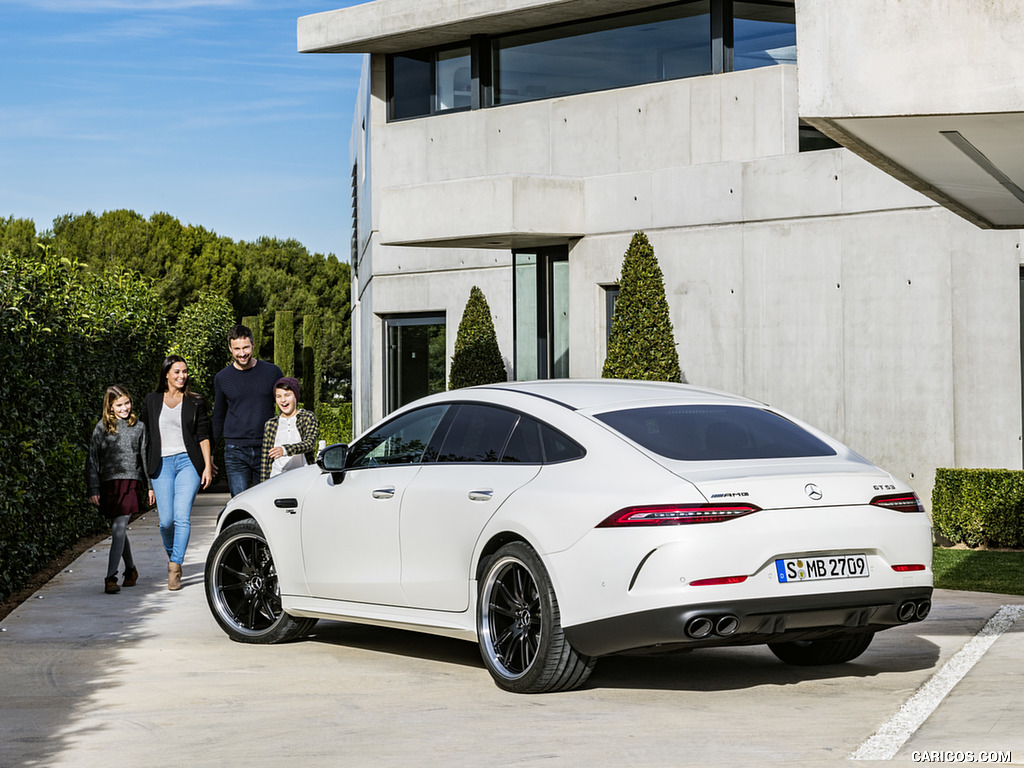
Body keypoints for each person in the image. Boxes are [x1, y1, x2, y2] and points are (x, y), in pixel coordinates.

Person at [144, 355, 213, 591]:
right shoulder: (151, 400)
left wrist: (206, 466)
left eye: (184, 372)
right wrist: (147, 481)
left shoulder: (195, 401)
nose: (182, 376)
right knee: (166, 522)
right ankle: (175, 556)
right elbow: (145, 438)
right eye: (177, 372)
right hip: (161, 464)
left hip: (188, 463)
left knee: (182, 517)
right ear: (166, 374)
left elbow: (203, 435)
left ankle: (175, 566)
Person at [86, 385, 155, 594]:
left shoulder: (139, 427)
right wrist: (93, 488)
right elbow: (92, 460)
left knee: (118, 528)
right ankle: (131, 570)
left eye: (127, 403)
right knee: (119, 530)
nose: (125, 408)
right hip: (109, 484)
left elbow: (144, 458)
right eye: (119, 405)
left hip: (131, 482)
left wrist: (150, 486)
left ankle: (110, 577)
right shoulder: (101, 428)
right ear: (110, 406)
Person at [213, 324, 283, 495]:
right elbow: (218, 417)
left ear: (252, 344)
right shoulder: (222, 378)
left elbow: (285, 408)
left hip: (267, 449)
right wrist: (211, 453)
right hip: (235, 451)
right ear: (230, 348)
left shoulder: (272, 372)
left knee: (268, 500)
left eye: (245, 347)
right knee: (240, 503)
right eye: (237, 349)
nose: (242, 353)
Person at [259, 377, 319, 484]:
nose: (283, 400)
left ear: (295, 396)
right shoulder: (271, 425)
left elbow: (309, 443)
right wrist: (263, 485)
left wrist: (285, 450)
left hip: (303, 478)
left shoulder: (307, 417)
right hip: (277, 479)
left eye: (287, 395)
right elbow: (266, 460)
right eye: (278, 396)